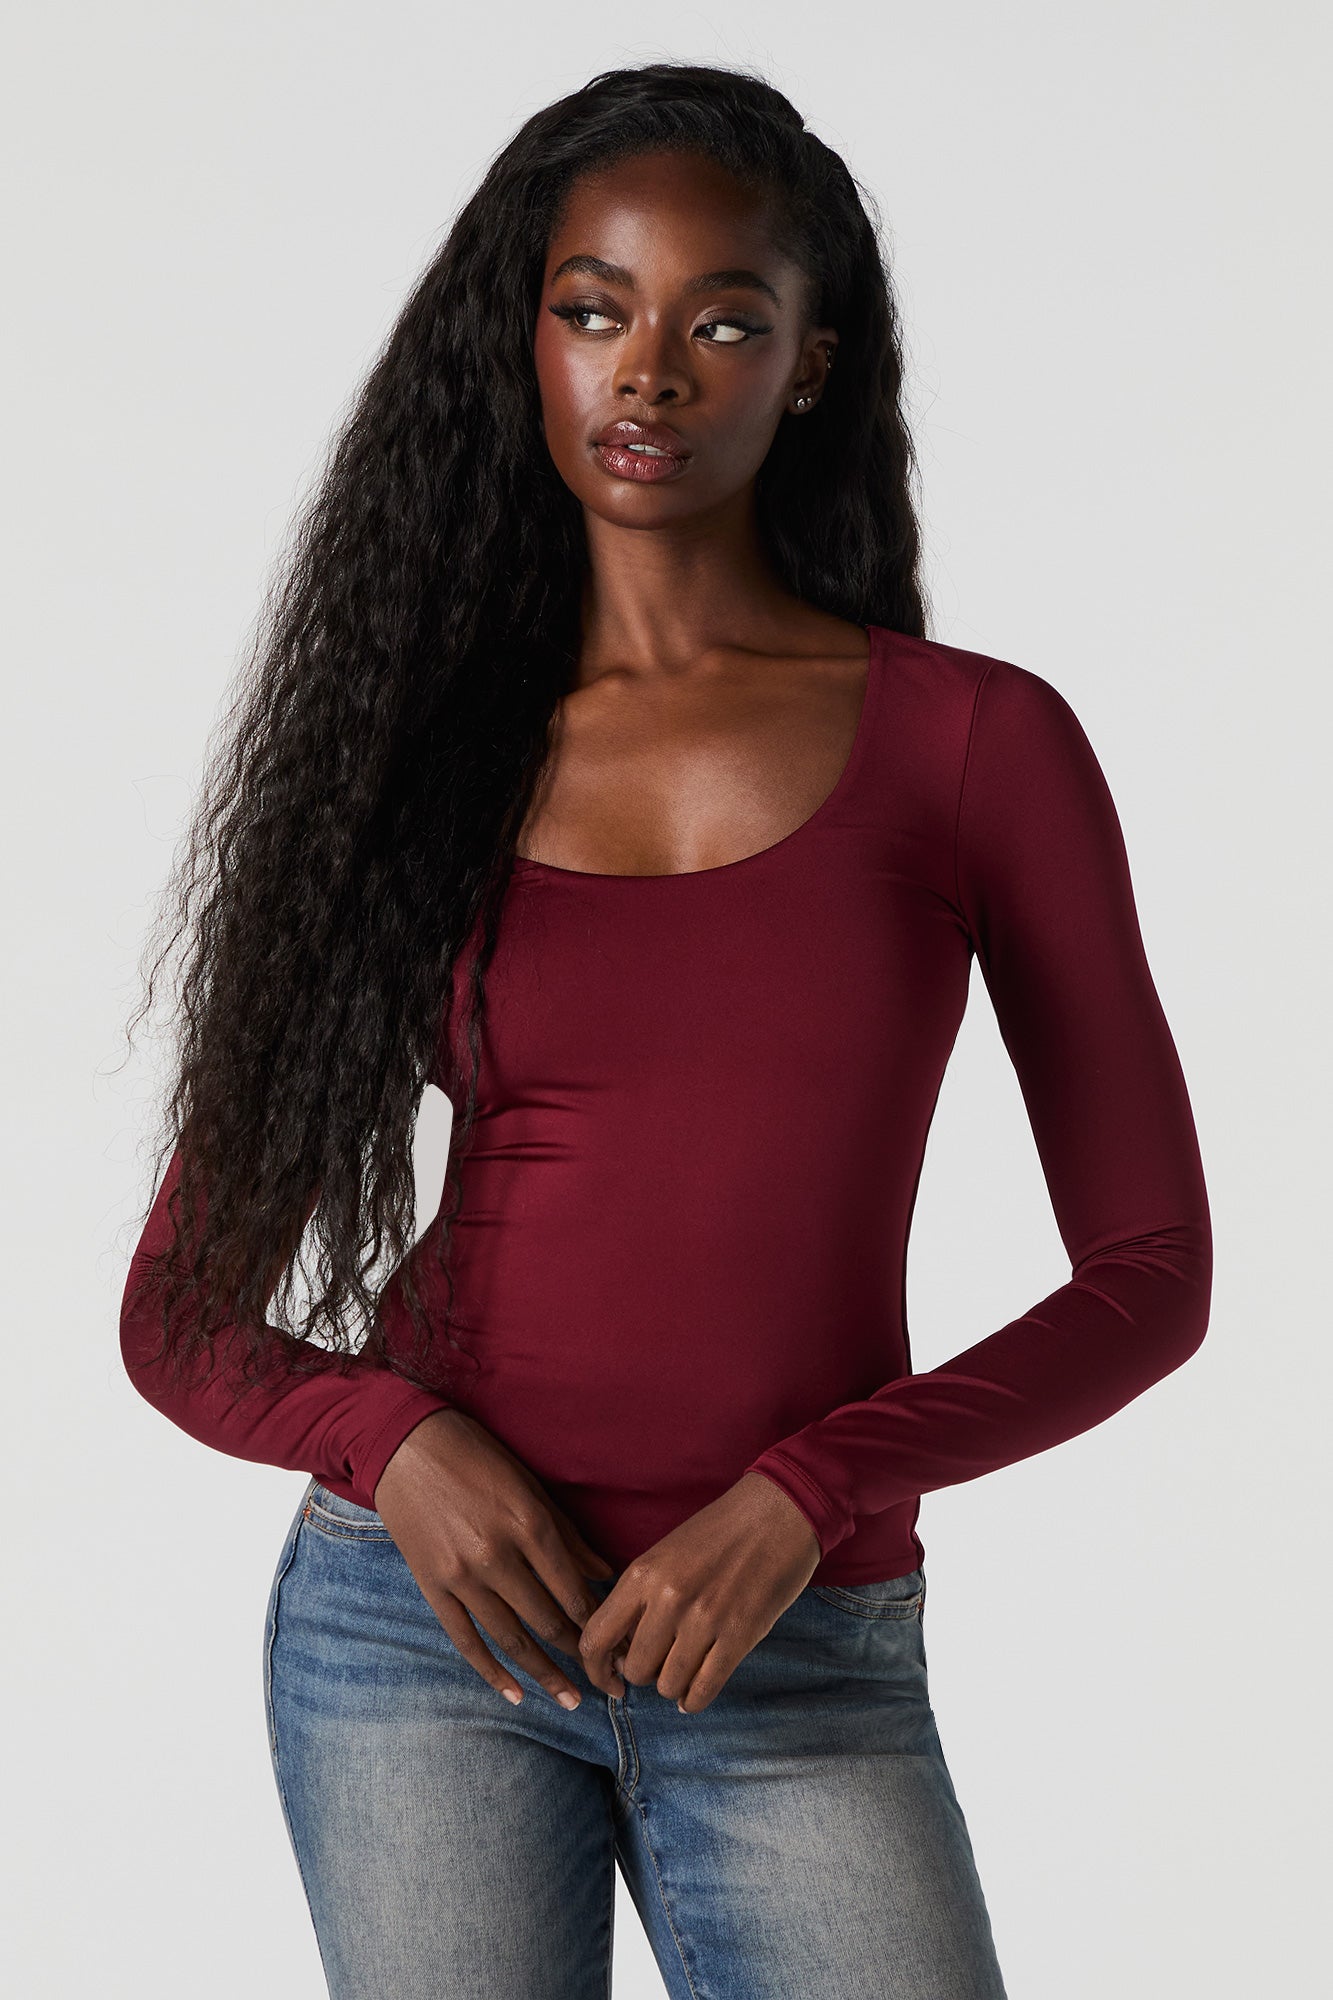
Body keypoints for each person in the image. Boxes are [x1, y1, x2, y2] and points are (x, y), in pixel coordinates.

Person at [119, 61, 1212, 2000]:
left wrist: (812, 1489)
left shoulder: (975, 744)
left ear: (805, 365)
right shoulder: (415, 759)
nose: (646, 370)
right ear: (525, 342)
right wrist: (395, 1445)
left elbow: (1149, 1275)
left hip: (795, 1654)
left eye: (719, 321)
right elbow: (177, 1315)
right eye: (592, 308)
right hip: (419, 1634)